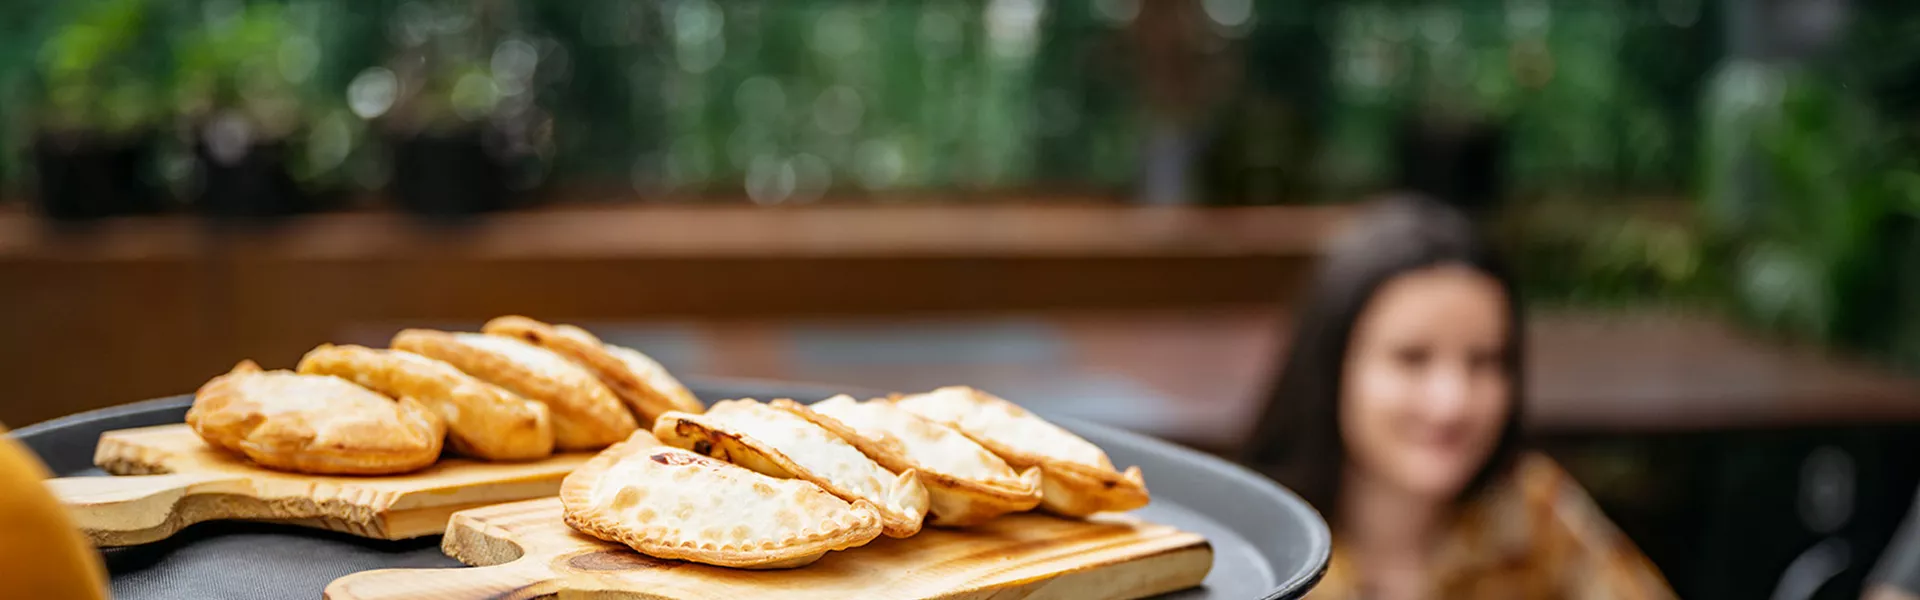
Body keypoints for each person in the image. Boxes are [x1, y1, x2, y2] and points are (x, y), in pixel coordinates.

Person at [1244, 196, 1674, 599]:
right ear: (1332, 365)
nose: (1452, 402)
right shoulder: (1252, 545)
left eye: (1484, 362)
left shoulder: (1530, 513)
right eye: (1411, 359)